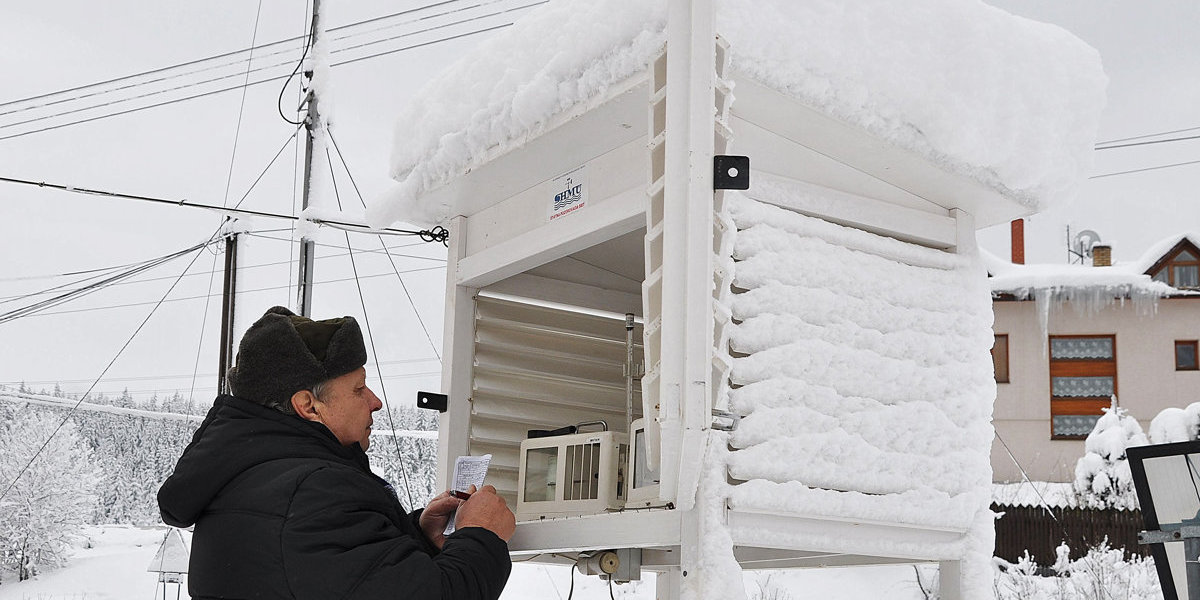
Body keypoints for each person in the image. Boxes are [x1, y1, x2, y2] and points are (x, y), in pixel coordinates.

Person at [158, 306, 514, 600]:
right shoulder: (314, 491)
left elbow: (340, 580)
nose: (375, 402)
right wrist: (481, 536)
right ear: (308, 407)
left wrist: (416, 535)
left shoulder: (254, 480)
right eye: (358, 389)